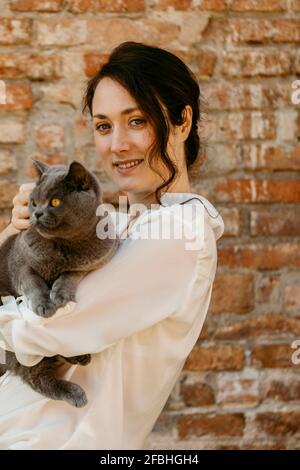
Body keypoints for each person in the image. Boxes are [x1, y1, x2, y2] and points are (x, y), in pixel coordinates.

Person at [0, 42, 224, 450]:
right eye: (103, 126)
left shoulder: (181, 232)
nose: (117, 144)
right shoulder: (118, 220)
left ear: (182, 122)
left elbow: (47, 326)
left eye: (136, 121)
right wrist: (14, 241)